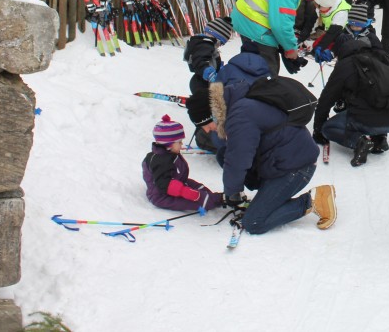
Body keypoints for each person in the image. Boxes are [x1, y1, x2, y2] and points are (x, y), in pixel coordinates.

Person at [209, 50, 337, 234]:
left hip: (296, 167)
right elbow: (231, 155)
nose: (210, 130)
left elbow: (238, 159)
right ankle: (270, 198)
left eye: (208, 126)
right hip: (282, 158)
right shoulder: (244, 99)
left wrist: (231, 193)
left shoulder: (240, 115)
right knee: (224, 154)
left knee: (253, 222)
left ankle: (313, 201)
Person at [312, 3, 389, 167]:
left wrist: (318, 128)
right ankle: (380, 137)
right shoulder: (379, 56)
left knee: (331, 126)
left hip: (365, 107)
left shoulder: (351, 58)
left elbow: (327, 98)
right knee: (370, 93)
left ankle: (359, 141)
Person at [231, 0, 333, 76]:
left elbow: (280, 18)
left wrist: (286, 46)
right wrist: (290, 49)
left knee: (253, 68)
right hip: (254, 23)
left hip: (250, 19)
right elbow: (281, 24)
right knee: (266, 74)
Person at [142, 115, 223, 212]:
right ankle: (215, 200)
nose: (181, 144)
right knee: (199, 201)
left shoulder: (169, 153)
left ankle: (213, 197)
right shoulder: (161, 160)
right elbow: (165, 184)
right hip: (163, 196)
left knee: (199, 187)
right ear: (169, 144)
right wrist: (186, 192)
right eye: (179, 142)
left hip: (178, 182)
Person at [182, 16, 232, 151]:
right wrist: (208, 71)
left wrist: (219, 68)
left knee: (211, 108)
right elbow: (200, 60)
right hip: (203, 83)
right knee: (209, 110)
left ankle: (211, 133)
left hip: (203, 82)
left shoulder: (205, 43)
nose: (219, 46)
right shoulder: (203, 44)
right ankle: (206, 136)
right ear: (216, 36)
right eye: (220, 42)